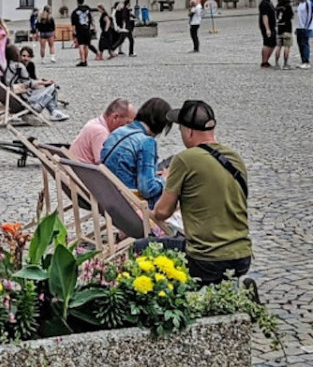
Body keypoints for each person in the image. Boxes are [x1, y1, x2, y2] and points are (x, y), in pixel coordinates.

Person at [151, 100, 252, 286]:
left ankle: (168, 300)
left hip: (205, 260)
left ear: (189, 131)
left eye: (180, 130)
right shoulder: (234, 158)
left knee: (141, 248)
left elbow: (162, 212)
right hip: (242, 255)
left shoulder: (184, 159)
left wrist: (165, 182)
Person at [99, 97, 175, 206]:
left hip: (109, 199)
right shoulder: (146, 142)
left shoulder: (117, 132)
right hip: (131, 204)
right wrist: (164, 179)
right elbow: (147, 189)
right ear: (161, 125)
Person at [0, 45, 68, 120]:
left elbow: (25, 82)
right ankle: (51, 111)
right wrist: (44, 83)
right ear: (16, 54)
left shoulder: (9, 66)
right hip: (25, 99)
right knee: (53, 87)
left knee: (47, 88)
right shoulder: (18, 66)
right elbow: (28, 83)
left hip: (15, 97)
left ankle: (54, 112)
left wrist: (41, 82)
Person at [68, 97, 136, 164]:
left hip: (75, 165)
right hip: (83, 169)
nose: (129, 127)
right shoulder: (101, 132)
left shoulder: (96, 122)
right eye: (128, 122)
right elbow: (103, 164)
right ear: (115, 117)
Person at [70, 0, 96, 67]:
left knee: (81, 45)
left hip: (80, 30)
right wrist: (93, 27)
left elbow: (73, 24)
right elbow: (91, 20)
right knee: (86, 45)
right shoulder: (87, 10)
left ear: (77, 2)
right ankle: (86, 60)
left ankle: (82, 60)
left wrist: (74, 32)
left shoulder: (75, 12)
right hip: (87, 29)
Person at [295, 0, 313, 68]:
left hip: (305, 28)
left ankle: (306, 61)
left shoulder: (308, 3)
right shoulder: (301, 4)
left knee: (305, 44)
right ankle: (303, 60)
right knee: (300, 45)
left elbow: (310, 16)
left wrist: (306, 27)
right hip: (299, 27)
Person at [273, 0, 294, 69]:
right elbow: (291, 16)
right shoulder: (288, 6)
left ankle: (276, 63)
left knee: (278, 46)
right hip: (287, 28)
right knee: (287, 46)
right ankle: (285, 64)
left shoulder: (278, 6)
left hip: (280, 28)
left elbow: (276, 17)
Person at [257, 0, 276, 68]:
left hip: (272, 26)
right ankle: (264, 62)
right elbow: (265, 16)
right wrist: (267, 28)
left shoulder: (269, 2)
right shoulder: (264, 3)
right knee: (267, 43)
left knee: (273, 43)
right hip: (267, 26)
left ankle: (266, 60)